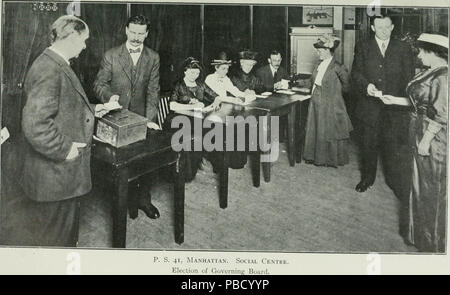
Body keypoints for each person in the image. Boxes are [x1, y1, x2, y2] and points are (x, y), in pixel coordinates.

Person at [19, 15, 110, 246]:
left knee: (60, 235)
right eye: (83, 40)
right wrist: (65, 149)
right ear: (70, 37)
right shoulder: (50, 69)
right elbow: (35, 125)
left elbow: (64, 105)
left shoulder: (54, 62)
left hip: (58, 177)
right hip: (56, 176)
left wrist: (95, 109)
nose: (85, 45)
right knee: (57, 240)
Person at [379, 33, 448, 252]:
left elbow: (442, 114)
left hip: (434, 140)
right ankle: (422, 236)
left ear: (433, 52)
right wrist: (395, 100)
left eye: (421, 51)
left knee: (431, 189)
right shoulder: (432, 72)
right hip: (419, 131)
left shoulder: (443, 76)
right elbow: (419, 102)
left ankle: (434, 240)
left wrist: (426, 142)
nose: (418, 55)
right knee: (419, 186)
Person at [94, 15, 161, 219]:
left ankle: (143, 200)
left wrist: (148, 120)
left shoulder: (153, 57)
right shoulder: (111, 55)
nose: (136, 37)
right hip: (116, 119)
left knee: (145, 163)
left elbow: (153, 91)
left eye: (141, 33)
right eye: (133, 32)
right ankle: (121, 204)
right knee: (122, 167)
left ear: (147, 34)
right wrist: (108, 95)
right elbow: (99, 85)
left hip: (142, 118)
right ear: (125, 30)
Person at [351, 14, 414, 194]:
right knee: (368, 146)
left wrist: (401, 100)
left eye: (387, 27)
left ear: (393, 27)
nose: (384, 31)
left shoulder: (403, 48)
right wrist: (367, 86)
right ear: (372, 28)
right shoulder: (363, 46)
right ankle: (367, 179)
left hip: (395, 110)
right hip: (369, 108)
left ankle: (394, 181)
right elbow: (356, 74)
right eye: (380, 28)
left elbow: (409, 79)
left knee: (393, 147)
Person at [301, 34, 353, 167]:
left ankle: (329, 160)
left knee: (329, 131)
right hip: (316, 100)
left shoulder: (338, 67)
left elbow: (347, 86)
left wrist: (335, 95)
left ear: (327, 51)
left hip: (330, 104)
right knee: (316, 128)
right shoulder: (319, 64)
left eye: (319, 51)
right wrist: (291, 83)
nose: (318, 53)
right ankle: (315, 157)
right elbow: (312, 81)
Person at [205, 52, 255, 169]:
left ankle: (235, 160)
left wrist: (245, 94)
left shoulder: (226, 78)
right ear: (216, 68)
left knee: (239, 124)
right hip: (212, 110)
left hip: (224, 110)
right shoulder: (210, 79)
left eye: (227, 69)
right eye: (223, 69)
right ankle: (218, 159)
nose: (226, 71)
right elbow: (217, 96)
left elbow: (234, 90)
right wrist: (233, 99)